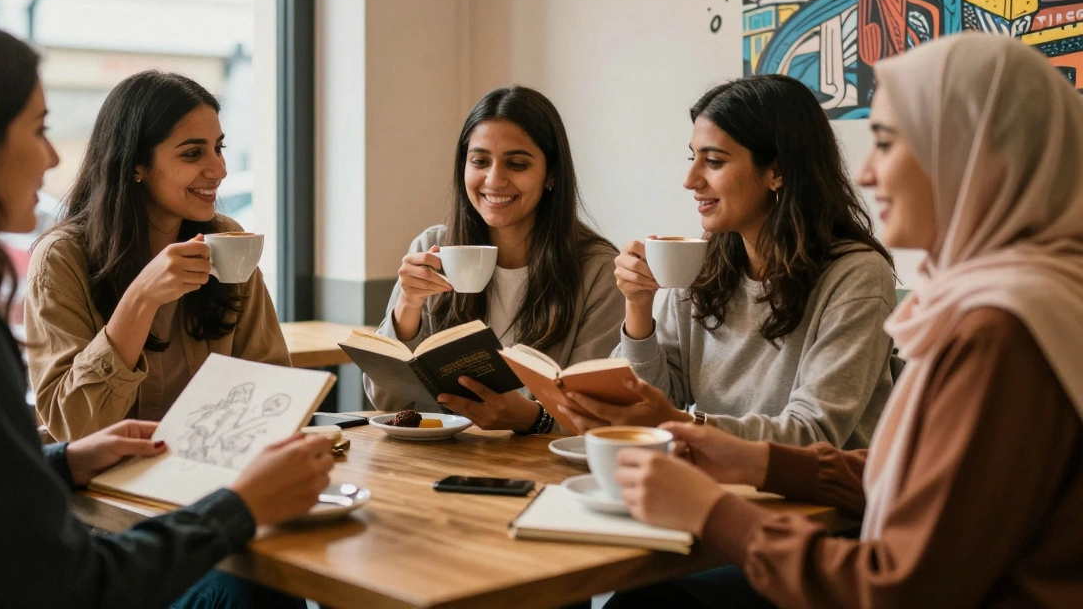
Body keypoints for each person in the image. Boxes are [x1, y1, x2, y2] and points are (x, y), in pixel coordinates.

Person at [0, 10, 331, 609]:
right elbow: (69, 585)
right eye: (37, 129)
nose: (52, 159)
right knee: (255, 591)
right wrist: (240, 508)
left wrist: (61, 462)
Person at [606, 33, 1083, 607]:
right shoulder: (1003, 304)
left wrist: (713, 510)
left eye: (886, 143)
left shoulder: (1000, 330)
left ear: (969, 155)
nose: (868, 173)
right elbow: (914, 480)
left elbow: (900, 587)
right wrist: (752, 458)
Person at [560, 75, 897, 448]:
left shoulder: (856, 277)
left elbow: (813, 434)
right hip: (707, 484)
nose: (690, 180)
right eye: (693, 158)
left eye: (714, 161)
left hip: (811, 501)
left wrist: (677, 423)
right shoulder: (702, 266)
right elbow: (650, 408)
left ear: (778, 171)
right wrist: (638, 308)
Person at [26, 70, 289, 441]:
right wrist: (141, 298)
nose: (219, 169)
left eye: (219, 148)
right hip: (102, 484)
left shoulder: (226, 239)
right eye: (193, 153)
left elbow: (271, 386)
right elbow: (74, 426)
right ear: (136, 164)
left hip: (210, 472)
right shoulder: (62, 258)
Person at [365, 85, 625, 433]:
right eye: (480, 161)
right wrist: (407, 308)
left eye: (517, 164)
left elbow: (598, 419)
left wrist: (534, 420)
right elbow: (386, 402)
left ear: (551, 174)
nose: (494, 179)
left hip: (542, 468)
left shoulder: (596, 269)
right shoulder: (433, 246)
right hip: (436, 460)